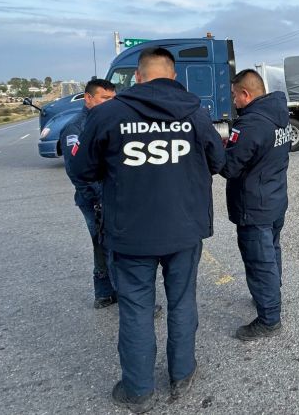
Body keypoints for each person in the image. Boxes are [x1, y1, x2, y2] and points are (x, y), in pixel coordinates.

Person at [69, 47, 225, 413]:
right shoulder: (195, 114)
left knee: (137, 309)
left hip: (130, 232)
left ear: (137, 77)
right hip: (184, 230)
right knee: (182, 301)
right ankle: (182, 374)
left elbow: (82, 170)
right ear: (173, 78)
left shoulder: (107, 114)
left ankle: (138, 390)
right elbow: (219, 161)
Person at [220, 69, 292, 341]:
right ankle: (271, 294)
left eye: (234, 96)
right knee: (272, 251)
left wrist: (220, 147)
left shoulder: (249, 124)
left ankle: (269, 318)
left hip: (254, 205)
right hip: (274, 199)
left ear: (246, 94)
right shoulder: (279, 116)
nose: (234, 102)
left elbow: (228, 167)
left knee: (259, 260)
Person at [62, 78, 117, 309]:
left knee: (105, 246)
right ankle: (122, 296)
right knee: (109, 247)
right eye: (105, 99)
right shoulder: (76, 128)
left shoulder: (109, 121)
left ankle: (105, 293)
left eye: (113, 100)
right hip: (95, 200)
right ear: (88, 98)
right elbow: (76, 171)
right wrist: (98, 200)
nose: (109, 104)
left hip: (111, 198)